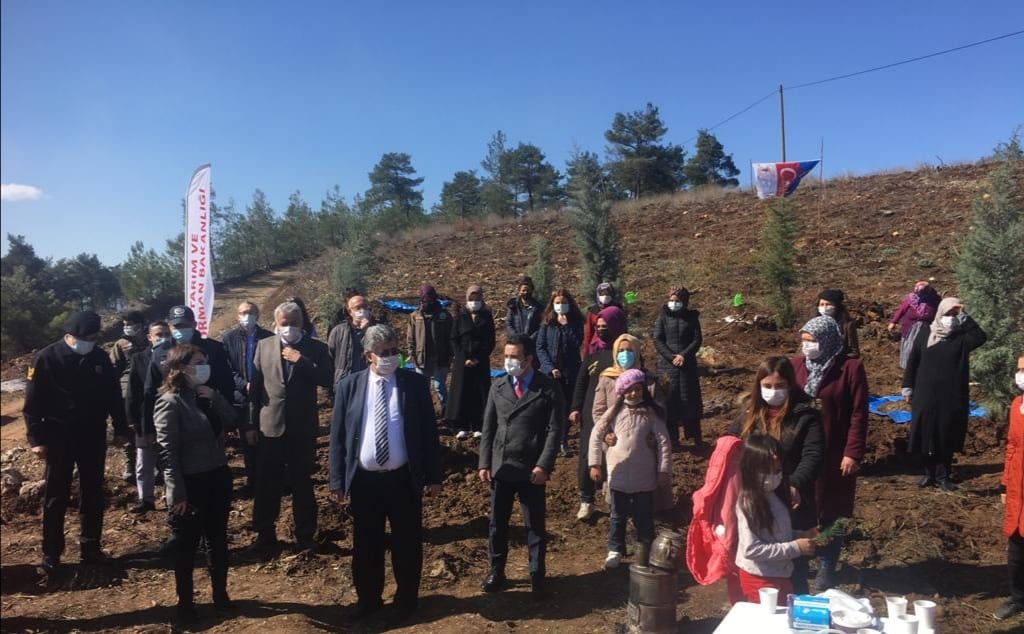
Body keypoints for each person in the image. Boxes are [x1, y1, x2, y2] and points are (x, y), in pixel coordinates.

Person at [329, 324, 443, 623]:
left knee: (407, 543)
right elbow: (338, 437)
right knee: (367, 544)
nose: (391, 357)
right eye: (384, 352)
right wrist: (337, 480)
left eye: (394, 351)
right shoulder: (349, 386)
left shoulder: (414, 385)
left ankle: (406, 601)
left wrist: (433, 477)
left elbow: (429, 434)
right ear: (368, 355)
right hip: (364, 482)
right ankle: (368, 600)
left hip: (403, 479)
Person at [23, 311, 130, 571]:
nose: (89, 343)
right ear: (69, 336)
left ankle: (91, 548)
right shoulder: (46, 358)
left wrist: (120, 428)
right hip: (58, 434)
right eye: (85, 339)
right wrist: (36, 439)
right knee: (56, 494)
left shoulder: (99, 357)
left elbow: (114, 396)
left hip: (92, 434)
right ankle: (51, 553)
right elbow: (33, 403)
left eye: (93, 339)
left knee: (92, 491)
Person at [153, 344, 236, 622]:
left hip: (217, 476)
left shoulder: (205, 396)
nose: (204, 367)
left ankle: (221, 596)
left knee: (217, 540)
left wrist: (215, 398)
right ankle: (185, 604)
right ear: (181, 367)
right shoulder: (170, 402)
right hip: (190, 482)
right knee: (186, 546)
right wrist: (176, 492)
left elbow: (232, 420)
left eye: (205, 362)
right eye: (199, 362)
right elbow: (167, 452)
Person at [728, 356, 824, 594]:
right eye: (767, 386)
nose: (773, 391)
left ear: (790, 384)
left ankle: (794, 601)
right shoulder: (749, 413)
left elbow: (813, 456)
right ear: (758, 386)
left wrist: (794, 485)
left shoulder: (806, 416)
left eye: (780, 385)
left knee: (794, 566)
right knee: (757, 554)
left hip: (792, 498)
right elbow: (730, 444)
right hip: (755, 497)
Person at [478, 334, 563, 599]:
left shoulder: (547, 388)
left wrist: (544, 465)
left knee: (534, 525)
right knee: (497, 524)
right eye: (506, 356)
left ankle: (537, 574)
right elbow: (488, 427)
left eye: (514, 357)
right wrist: (484, 463)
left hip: (531, 469)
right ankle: (496, 571)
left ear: (528, 359)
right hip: (501, 466)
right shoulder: (498, 386)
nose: (509, 361)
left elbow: (555, 430)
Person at [247, 301, 334, 557]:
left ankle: (305, 535)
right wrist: (251, 424)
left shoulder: (317, 348)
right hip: (270, 427)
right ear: (276, 324)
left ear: (302, 323)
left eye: (294, 323)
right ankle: (264, 533)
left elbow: (326, 379)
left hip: (302, 428)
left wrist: (302, 361)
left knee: (302, 483)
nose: (289, 328)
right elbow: (255, 389)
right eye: (284, 324)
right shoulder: (264, 346)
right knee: (267, 483)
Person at [791, 315, 869, 590]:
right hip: (800, 452)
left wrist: (852, 452)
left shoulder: (849, 368)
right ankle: (798, 560)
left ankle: (827, 563)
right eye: (804, 340)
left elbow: (859, 413)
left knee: (831, 511)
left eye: (812, 341)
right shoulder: (795, 366)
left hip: (834, 452)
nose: (807, 346)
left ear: (827, 340)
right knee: (799, 507)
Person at [589, 369, 671, 569]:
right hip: (618, 473)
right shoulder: (614, 411)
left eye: (638, 389)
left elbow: (664, 441)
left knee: (644, 516)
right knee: (617, 516)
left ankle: (646, 549)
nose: (634, 394)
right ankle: (615, 549)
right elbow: (596, 433)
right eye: (629, 390)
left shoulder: (650, 413)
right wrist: (594, 463)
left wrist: (663, 470)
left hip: (644, 474)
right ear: (622, 391)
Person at [902, 297, 987, 491]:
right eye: (948, 313)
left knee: (945, 434)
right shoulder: (926, 333)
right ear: (940, 313)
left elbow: (981, 336)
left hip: (951, 396)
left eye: (954, 314)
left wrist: (963, 315)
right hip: (925, 394)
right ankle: (929, 473)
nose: (951, 318)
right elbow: (913, 362)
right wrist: (907, 387)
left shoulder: (961, 338)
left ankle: (943, 476)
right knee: (926, 433)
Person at [733, 434, 818, 603]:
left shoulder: (773, 495)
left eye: (778, 471)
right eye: (767, 471)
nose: (774, 476)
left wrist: (801, 535)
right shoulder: (749, 503)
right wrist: (795, 547)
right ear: (750, 469)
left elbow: (776, 534)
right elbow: (751, 549)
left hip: (779, 574)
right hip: (759, 579)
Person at [569, 307, 628, 521]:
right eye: (598, 327)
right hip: (590, 411)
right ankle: (587, 500)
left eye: (605, 326)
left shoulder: (625, 353)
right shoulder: (592, 353)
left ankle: (613, 498)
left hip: (620, 412)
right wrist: (575, 407)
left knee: (615, 452)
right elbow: (581, 382)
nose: (601, 330)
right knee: (589, 453)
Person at [221, 301, 273, 495]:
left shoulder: (269, 337)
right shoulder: (229, 338)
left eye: (251, 312)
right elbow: (227, 368)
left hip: (266, 396)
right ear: (237, 316)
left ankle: (270, 479)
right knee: (248, 440)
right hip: (242, 397)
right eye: (243, 313)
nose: (247, 316)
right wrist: (244, 384)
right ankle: (253, 481)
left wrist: (262, 383)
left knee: (267, 437)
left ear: (257, 315)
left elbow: (274, 366)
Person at [124, 321, 173, 514]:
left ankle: (171, 498)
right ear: (149, 337)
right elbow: (133, 391)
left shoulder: (176, 355)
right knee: (144, 463)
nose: (163, 338)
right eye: (159, 334)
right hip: (145, 418)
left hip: (169, 417)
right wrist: (132, 420)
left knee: (169, 462)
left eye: (167, 334)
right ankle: (146, 499)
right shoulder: (139, 358)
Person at [652, 287, 705, 450]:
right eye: (671, 300)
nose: (673, 303)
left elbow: (696, 339)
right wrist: (671, 357)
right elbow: (658, 339)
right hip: (667, 366)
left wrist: (683, 355)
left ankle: (695, 437)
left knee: (690, 401)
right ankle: (673, 439)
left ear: (685, 301)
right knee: (670, 402)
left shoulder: (691, 318)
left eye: (677, 301)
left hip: (686, 365)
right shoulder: (662, 316)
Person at [536, 288, 584, 456]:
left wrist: (567, 325)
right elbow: (540, 347)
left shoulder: (575, 322)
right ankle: (547, 440)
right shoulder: (547, 323)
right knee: (549, 408)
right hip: (550, 373)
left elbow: (577, 342)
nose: (560, 305)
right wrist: (550, 368)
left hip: (570, 372)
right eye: (557, 303)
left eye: (563, 303)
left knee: (566, 407)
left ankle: (563, 440)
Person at [995, 355, 1024, 620]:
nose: (1020, 376)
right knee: (1016, 549)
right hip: (1017, 486)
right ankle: (1018, 598)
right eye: (1019, 370)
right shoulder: (1017, 405)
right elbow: (1012, 446)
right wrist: (1005, 484)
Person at [447, 285, 496, 440]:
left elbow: (490, 340)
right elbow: (454, 339)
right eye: (471, 299)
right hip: (462, 363)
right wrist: (463, 358)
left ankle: (478, 425)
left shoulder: (486, 317)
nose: (474, 302)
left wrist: (478, 358)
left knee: (479, 393)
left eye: (477, 299)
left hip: (480, 362)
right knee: (462, 392)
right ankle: (460, 425)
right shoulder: (460, 316)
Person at [110, 310, 148, 483]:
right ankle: (130, 464)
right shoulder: (121, 344)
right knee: (129, 428)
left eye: (130, 324)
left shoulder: (151, 339)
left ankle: (156, 464)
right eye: (125, 324)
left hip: (148, 386)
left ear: (141, 325)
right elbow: (113, 369)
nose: (127, 327)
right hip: (127, 389)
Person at [407, 284, 453, 414]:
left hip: (440, 358)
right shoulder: (415, 316)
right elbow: (411, 337)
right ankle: (424, 412)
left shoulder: (444, 315)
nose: (428, 302)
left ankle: (446, 411)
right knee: (422, 387)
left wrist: (451, 355)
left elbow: (451, 336)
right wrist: (412, 353)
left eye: (431, 299)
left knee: (439, 386)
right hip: (421, 358)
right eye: (425, 299)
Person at [888, 281, 941, 369]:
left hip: (927, 327)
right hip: (910, 327)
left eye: (923, 292)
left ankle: (921, 366)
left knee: (923, 346)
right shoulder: (911, 298)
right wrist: (893, 322)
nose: (921, 294)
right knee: (909, 347)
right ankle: (907, 366)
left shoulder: (935, 299)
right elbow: (901, 310)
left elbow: (940, 311)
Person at [327, 294, 375, 388]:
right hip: (344, 384)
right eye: (358, 308)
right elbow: (329, 360)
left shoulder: (377, 330)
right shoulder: (338, 331)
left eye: (365, 307)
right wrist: (329, 390)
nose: (362, 310)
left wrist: (367, 330)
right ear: (350, 311)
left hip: (369, 385)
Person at [814, 289, 860, 359]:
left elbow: (855, 352)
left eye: (828, 304)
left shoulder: (847, 325)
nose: (824, 307)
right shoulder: (813, 325)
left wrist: (837, 358)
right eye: (822, 304)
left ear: (836, 306)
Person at [583, 282, 626, 356]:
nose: (605, 296)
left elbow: (623, 329)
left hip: (615, 346)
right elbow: (588, 333)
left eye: (607, 294)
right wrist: (586, 353)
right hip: (597, 348)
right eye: (602, 294)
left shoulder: (617, 310)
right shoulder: (593, 311)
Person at [504, 275, 543, 340]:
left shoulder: (538, 307)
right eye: (523, 290)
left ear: (532, 290)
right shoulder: (513, 305)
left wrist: (530, 338)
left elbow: (541, 326)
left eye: (528, 290)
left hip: (532, 342)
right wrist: (515, 336)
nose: (526, 292)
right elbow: (508, 323)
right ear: (519, 291)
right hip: (515, 341)